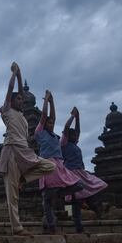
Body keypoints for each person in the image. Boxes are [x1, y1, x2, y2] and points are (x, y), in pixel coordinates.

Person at [0, 62, 55, 236]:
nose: (21, 100)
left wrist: (21, 73)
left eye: (22, 99)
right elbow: (11, 89)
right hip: (11, 152)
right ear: (11, 101)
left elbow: (21, 93)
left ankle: (24, 179)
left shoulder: (22, 116)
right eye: (18, 99)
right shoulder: (7, 111)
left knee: (51, 166)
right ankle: (17, 228)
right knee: (12, 195)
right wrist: (14, 74)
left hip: (25, 152)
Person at [34, 91, 83, 234]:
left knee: (78, 185)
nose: (51, 123)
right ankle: (51, 226)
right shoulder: (39, 132)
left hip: (60, 166)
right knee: (47, 201)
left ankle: (60, 193)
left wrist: (52, 101)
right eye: (48, 122)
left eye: (51, 122)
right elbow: (44, 115)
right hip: (48, 165)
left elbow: (53, 116)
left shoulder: (55, 136)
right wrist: (46, 101)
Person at [61, 107, 108, 230]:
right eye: (72, 135)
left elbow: (78, 130)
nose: (74, 136)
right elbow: (66, 128)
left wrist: (78, 117)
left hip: (81, 172)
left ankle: (94, 210)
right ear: (67, 136)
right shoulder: (64, 143)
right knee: (73, 199)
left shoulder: (74, 143)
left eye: (75, 135)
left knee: (92, 189)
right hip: (71, 173)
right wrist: (72, 116)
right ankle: (73, 220)